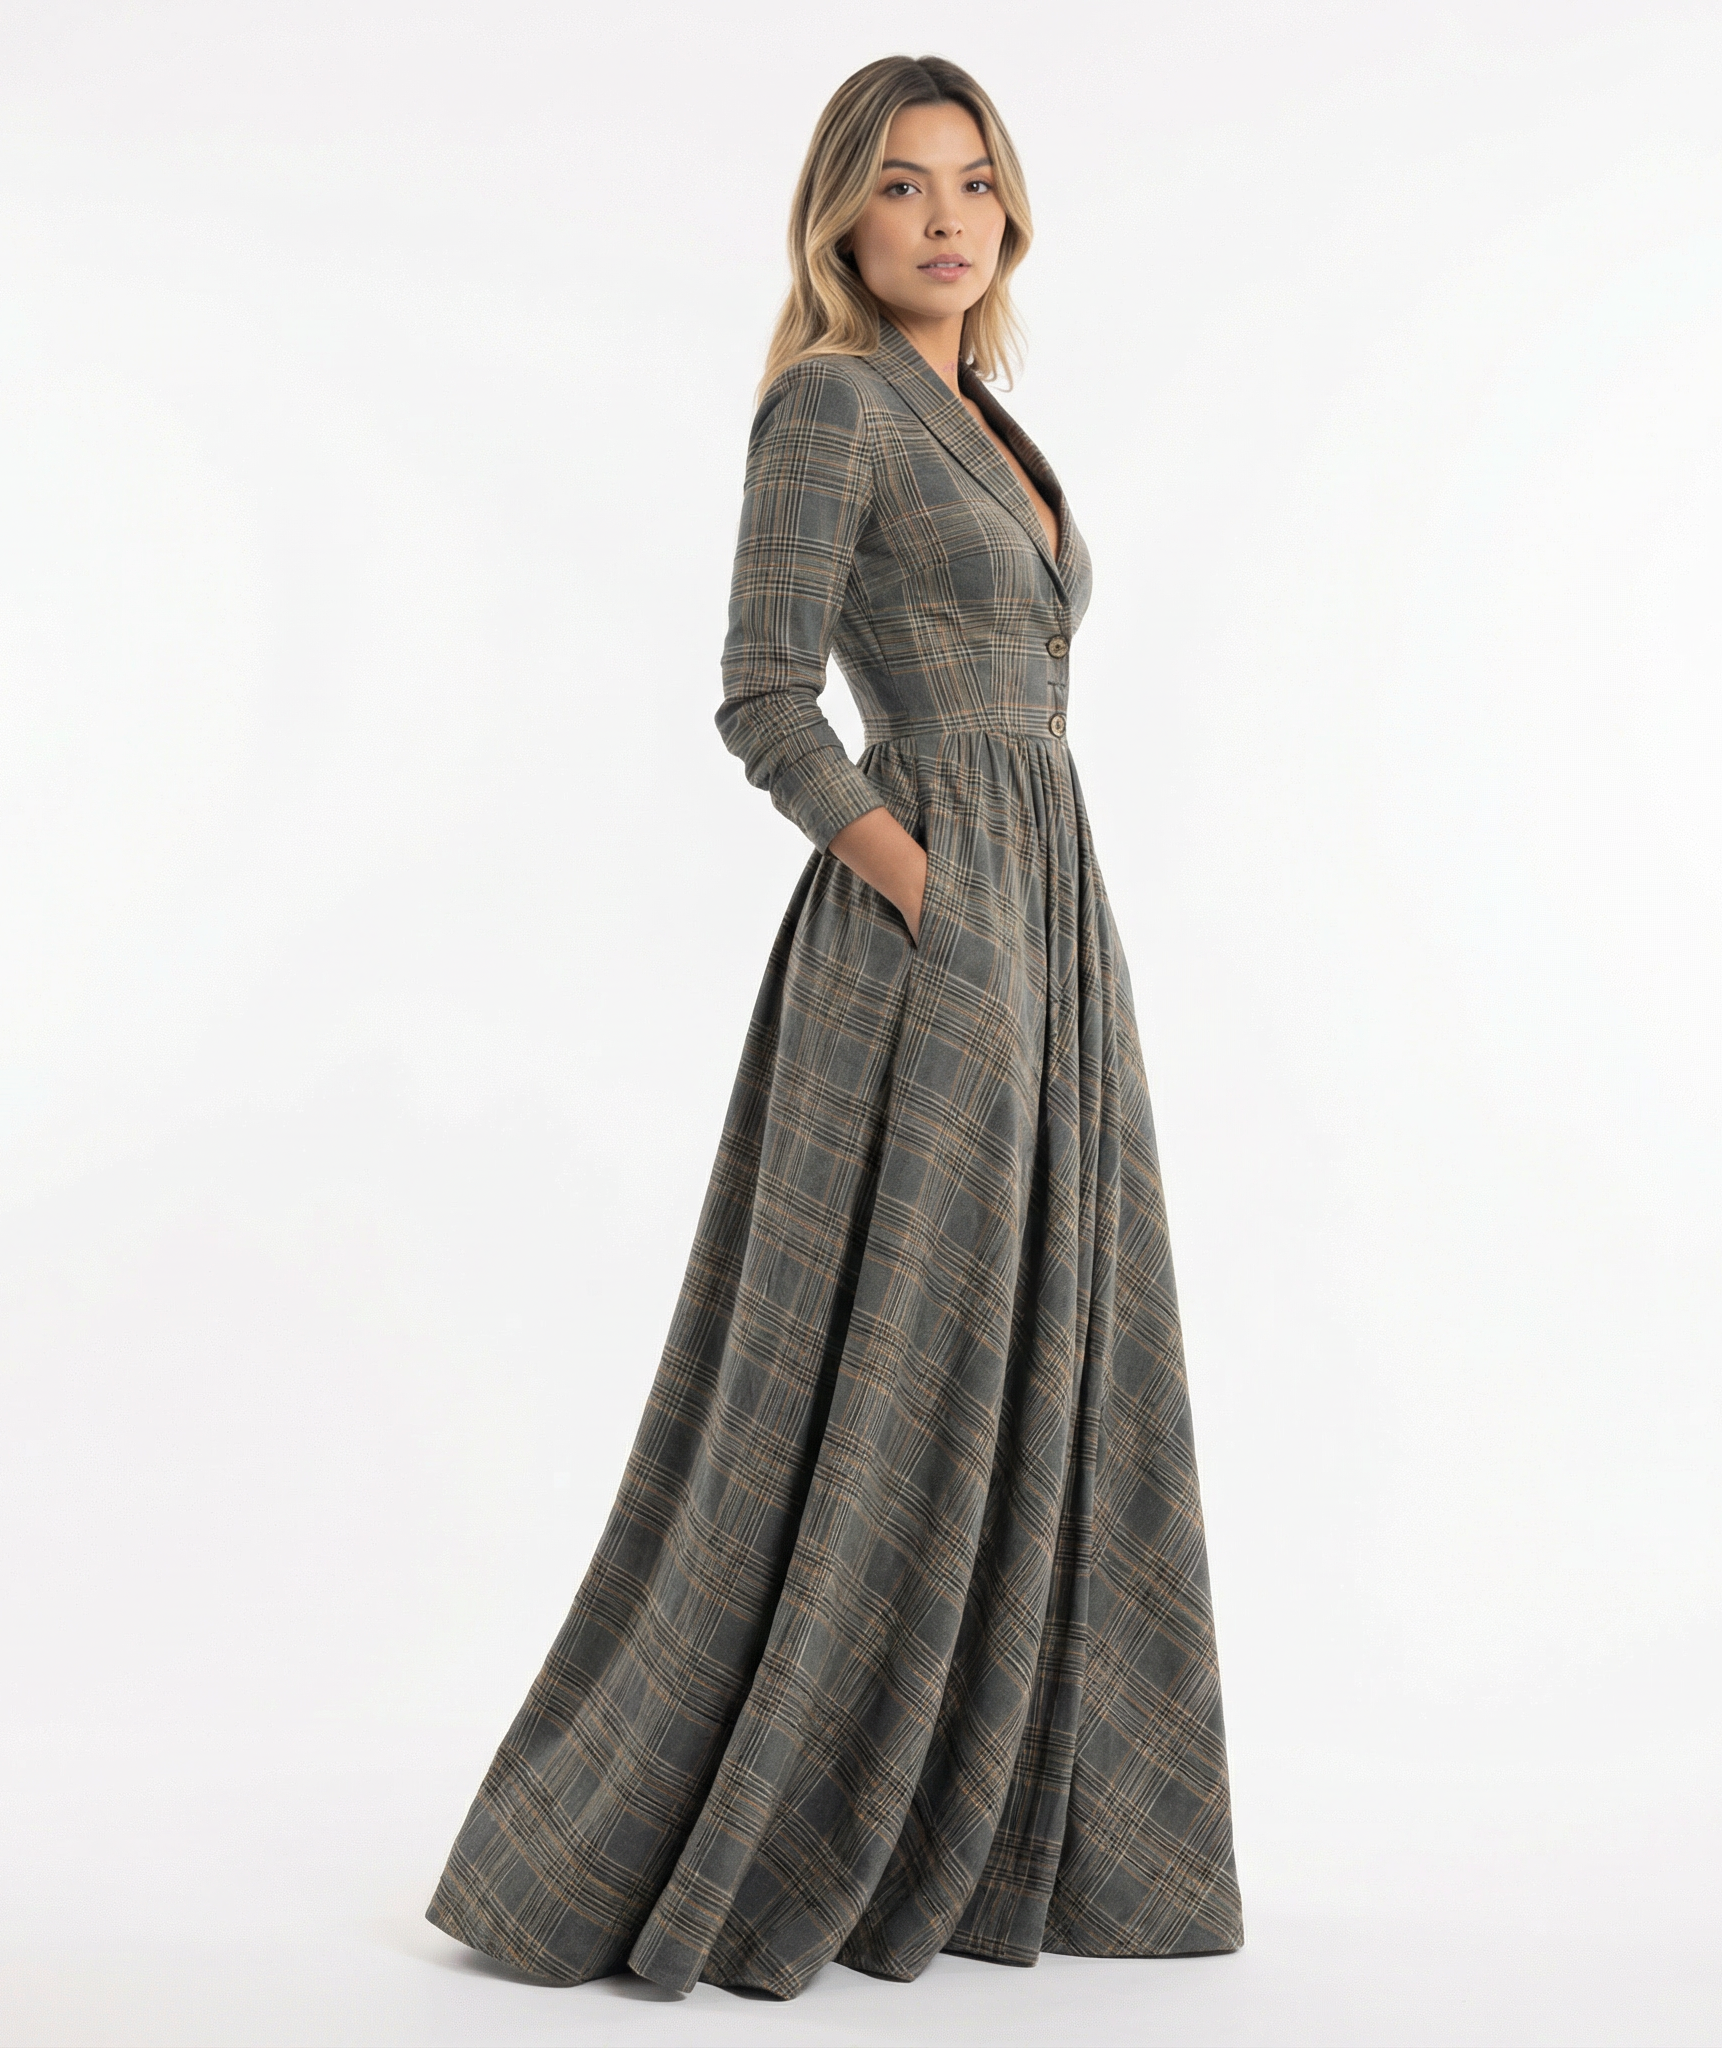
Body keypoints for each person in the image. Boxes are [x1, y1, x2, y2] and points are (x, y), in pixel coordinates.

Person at [427, 53, 1243, 2000]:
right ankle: (700, 1830)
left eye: (972, 181)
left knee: (1051, 1340)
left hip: (1051, 905)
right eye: (899, 184)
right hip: (929, 919)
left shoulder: (993, 421)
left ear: (1010, 208)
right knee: (880, 1370)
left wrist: (1014, 907)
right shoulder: (831, 404)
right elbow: (762, 695)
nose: (944, 218)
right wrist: (932, 889)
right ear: (839, 218)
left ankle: (1009, 1815)